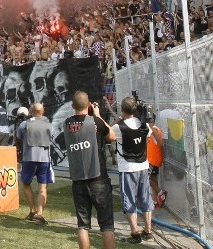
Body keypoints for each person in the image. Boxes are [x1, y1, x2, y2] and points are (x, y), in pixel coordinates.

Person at [63, 91, 116, 249]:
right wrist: (98, 114)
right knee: (107, 225)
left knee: (83, 225)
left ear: (73, 106)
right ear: (88, 105)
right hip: (98, 178)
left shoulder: (67, 123)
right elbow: (112, 136)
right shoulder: (96, 122)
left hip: (78, 179)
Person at [112, 96, 155, 244]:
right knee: (145, 198)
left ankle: (135, 233)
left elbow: (109, 135)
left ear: (122, 110)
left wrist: (117, 120)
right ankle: (148, 230)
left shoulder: (119, 127)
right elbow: (149, 132)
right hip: (143, 166)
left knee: (129, 200)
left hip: (128, 167)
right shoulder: (144, 126)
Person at [16, 102, 54, 225]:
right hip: (45, 159)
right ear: (43, 112)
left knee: (26, 184)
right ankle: (40, 213)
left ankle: (32, 209)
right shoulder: (49, 124)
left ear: (31, 111)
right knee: (43, 187)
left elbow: (18, 136)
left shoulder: (24, 124)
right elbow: (51, 136)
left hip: (29, 158)